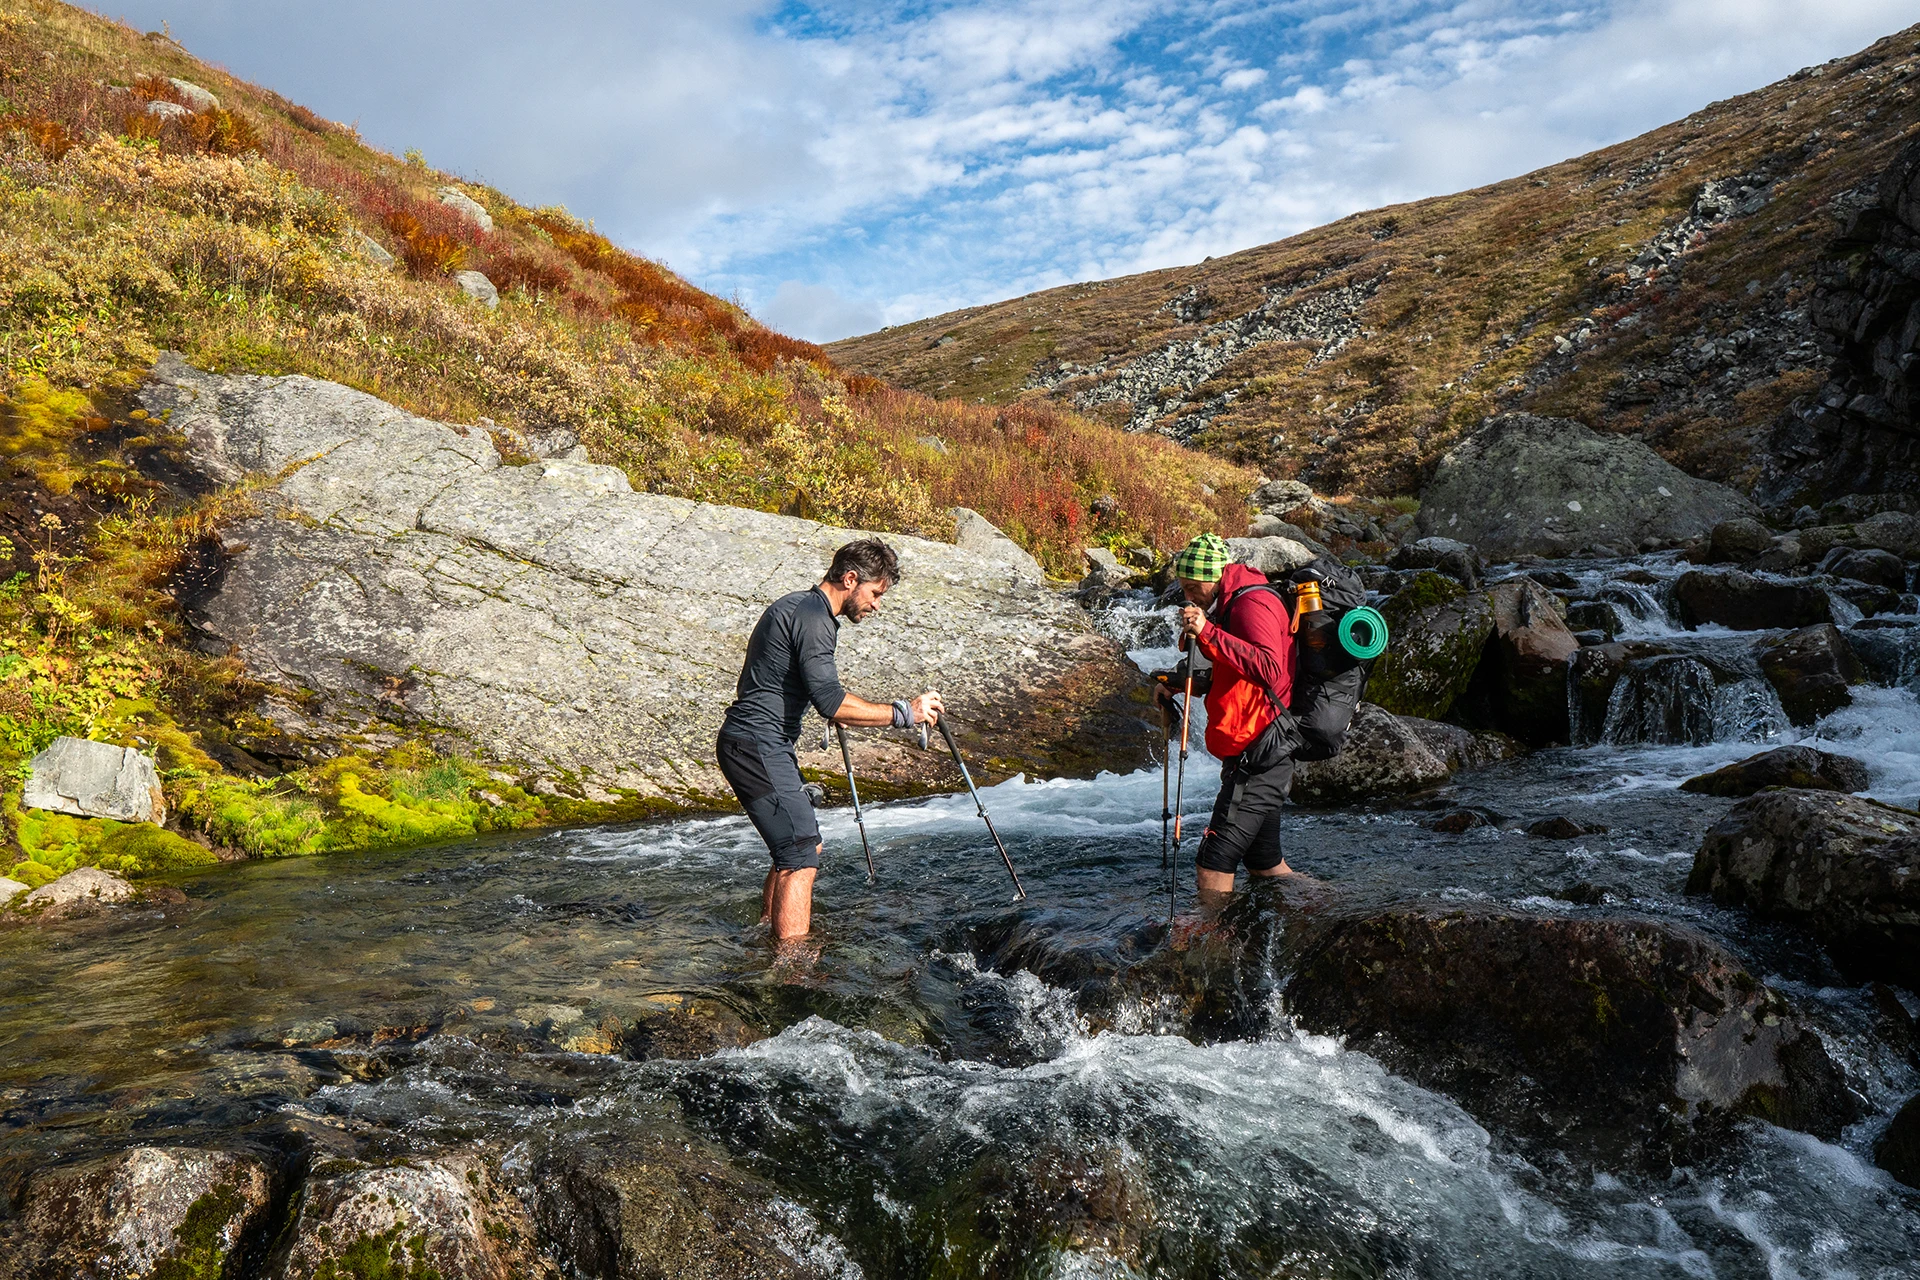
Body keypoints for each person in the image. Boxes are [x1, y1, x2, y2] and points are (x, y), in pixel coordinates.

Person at [717, 538, 943, 941]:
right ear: (850, 578)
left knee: (804, 846)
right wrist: (905, 713)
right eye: (875, 594)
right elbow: (832, 702)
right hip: (757, 744)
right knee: (800, 857)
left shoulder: (797, 606)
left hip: (753, 742)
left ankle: (766, 933)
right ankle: (791, 965)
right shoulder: (815, 619)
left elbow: (795, 682)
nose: (876, 605)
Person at [1161, 532, 1298, 898]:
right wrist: (1179, 683)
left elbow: (1269, 668)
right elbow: (1234, 671)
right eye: (1183, 589)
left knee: (1214, 859)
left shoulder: (1253, 603)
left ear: (1214, 577)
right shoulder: (1227, 602)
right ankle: (1321, 910)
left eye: (1193, 588)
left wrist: (1206, 630)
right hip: (1254, 742)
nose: (1189, 598)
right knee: (1265, 864)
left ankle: (1209, 949)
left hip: (1262, 746)